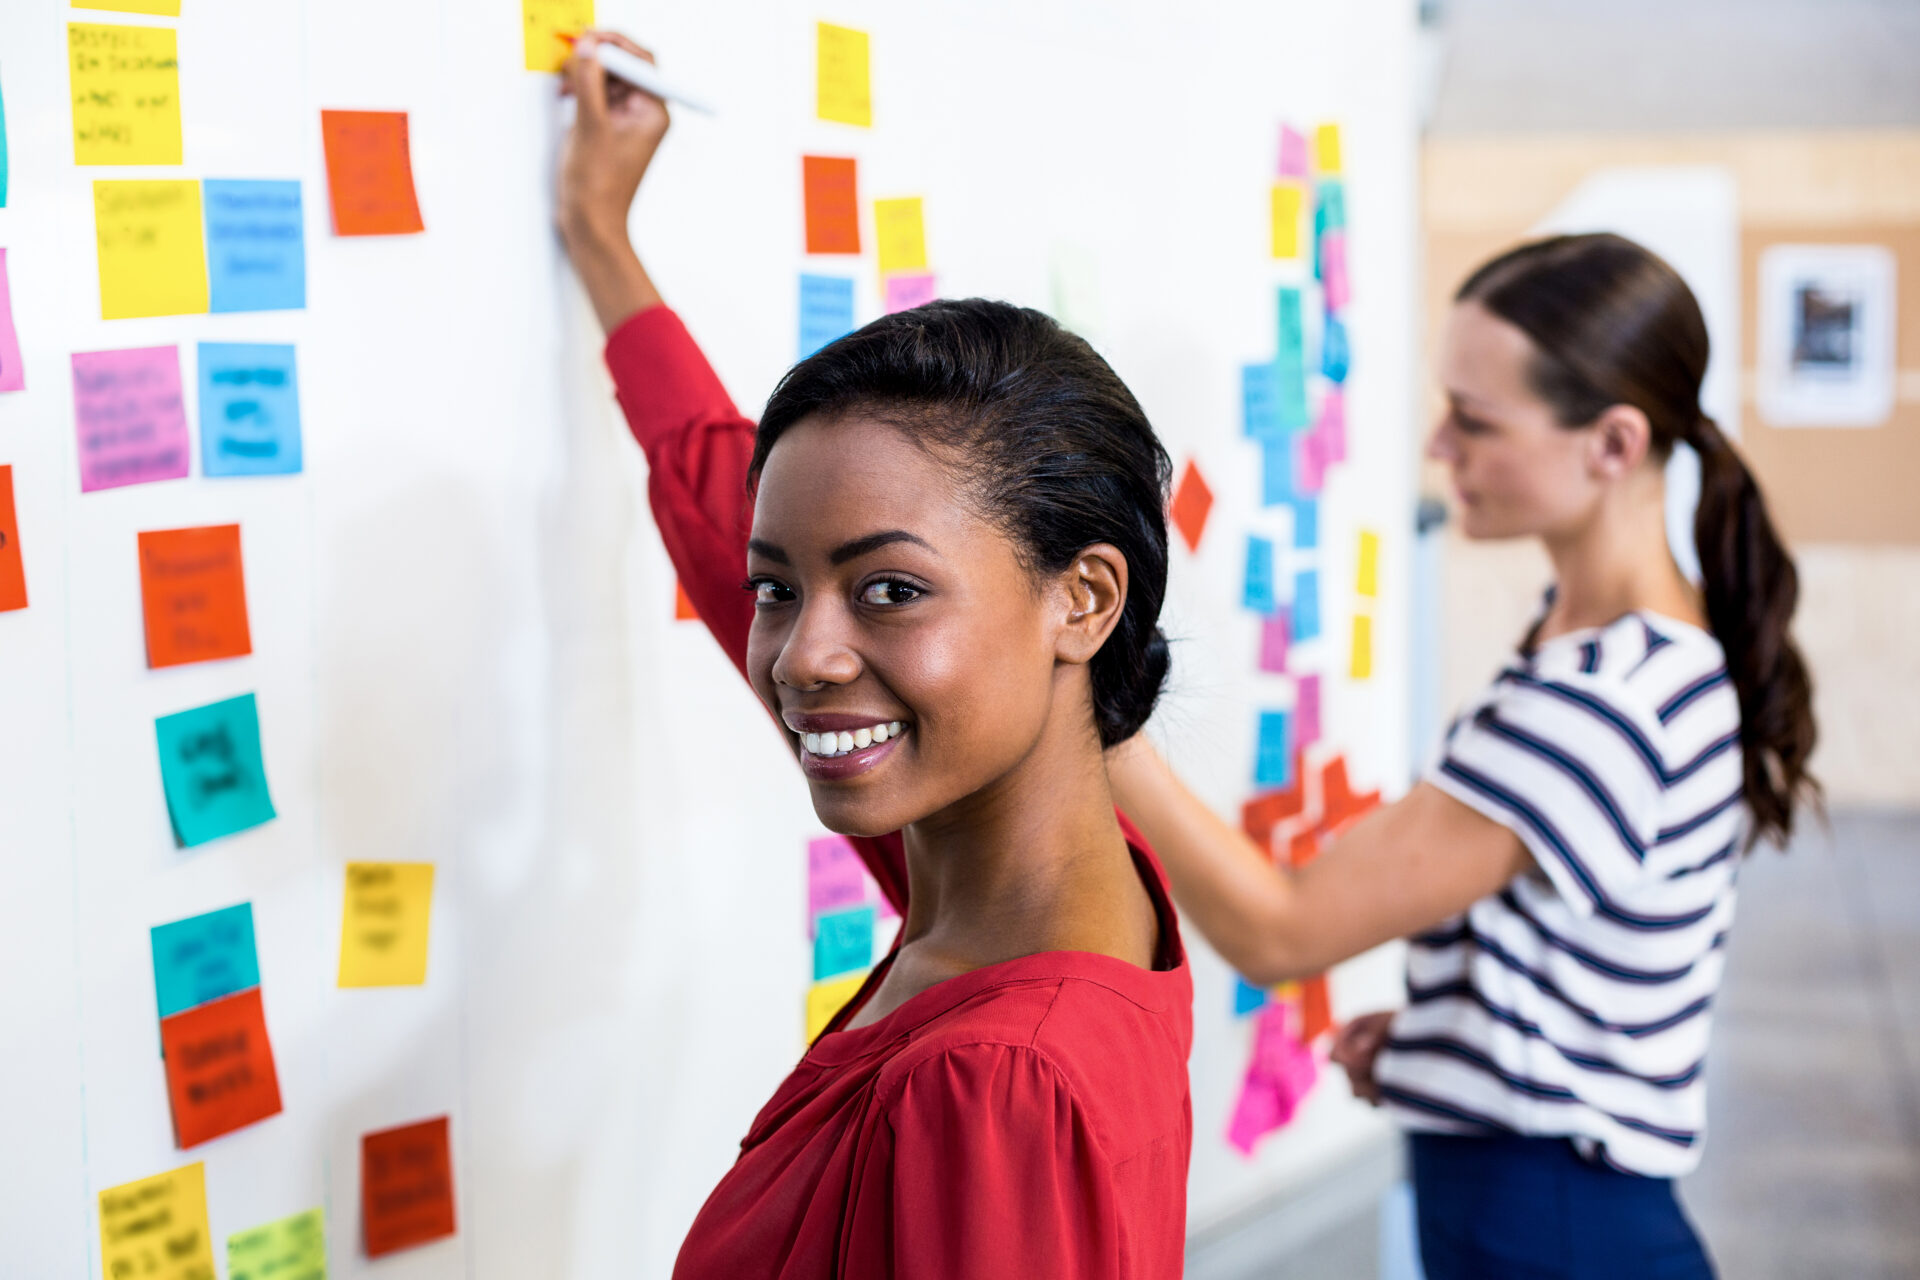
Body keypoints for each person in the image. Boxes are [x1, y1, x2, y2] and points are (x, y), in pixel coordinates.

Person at [553, 33, 1192, 1279]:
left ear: (1084, 598)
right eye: (776, 588)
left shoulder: (991, 1077)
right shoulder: (1045, 874)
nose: (801, 656)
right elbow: (709, 506)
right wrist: (600, 234)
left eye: (891, 588)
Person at [1105, 233, 1818, 1278]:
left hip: (1558, 1225)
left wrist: (1099, 713)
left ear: (1613, 443)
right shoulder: (1620, 650)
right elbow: (1592, 946)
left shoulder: (1600, 701)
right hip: (1546, 1200)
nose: (1441, 447)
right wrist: (1454, 1036)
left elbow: (1282, 928)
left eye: (1476, 421)